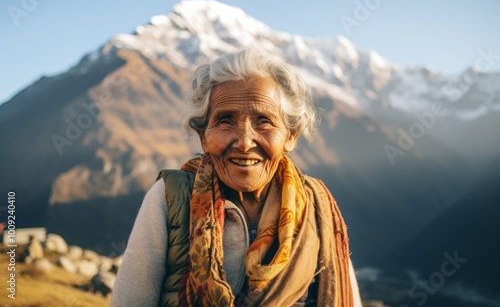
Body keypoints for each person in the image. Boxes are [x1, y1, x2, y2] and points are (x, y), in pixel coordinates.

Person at [110, 49, 362, 306]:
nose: (244, 142)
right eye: (225, 120)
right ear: (203, 136)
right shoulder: (169, 197)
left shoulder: (317, 208)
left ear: (290, 136)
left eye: (263, 121)